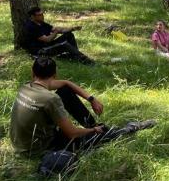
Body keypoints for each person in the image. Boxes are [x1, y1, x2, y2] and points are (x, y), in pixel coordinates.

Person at [10, 57, 153, 156]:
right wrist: (91, 130)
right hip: (40, 148)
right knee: (95, 137)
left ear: (33, 73)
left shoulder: (26, 87)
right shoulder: (50, 99)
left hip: (21, 144)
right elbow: (72, 133)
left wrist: (92, 99)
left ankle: (96, 126)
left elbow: (66, 84)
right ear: (54, 74)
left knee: (65, 91)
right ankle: (129, 128)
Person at [22, 7, 93, 64]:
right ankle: (86, 61)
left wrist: (72, 28)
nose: (42, 16)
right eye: (39, 15)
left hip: (48, 46)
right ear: (33, 16)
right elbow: (47, 39)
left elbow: (58, 30)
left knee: (69, 35)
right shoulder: (31, 27)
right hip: (41, 51)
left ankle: (76, 56)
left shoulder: (42, 23)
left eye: (42, 14)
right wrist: (56, 32)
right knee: (64, 45)